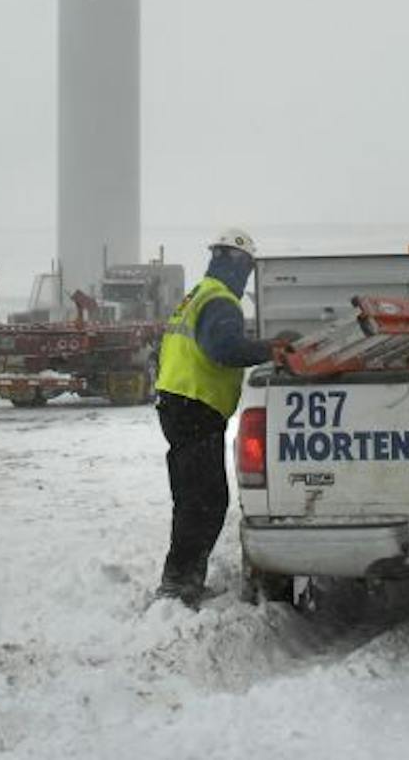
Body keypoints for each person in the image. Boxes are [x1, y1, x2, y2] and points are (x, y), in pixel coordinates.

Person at [152, 226, 292, 605]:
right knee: (206, 500)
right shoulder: (221, 301)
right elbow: (224, 348)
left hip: (177, 405)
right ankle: (179, 584)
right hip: (196, 409)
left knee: (191, 497)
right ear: (240, 265)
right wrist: (272, 350)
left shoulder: (196, 295)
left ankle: (179, 578)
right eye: (247, 267)